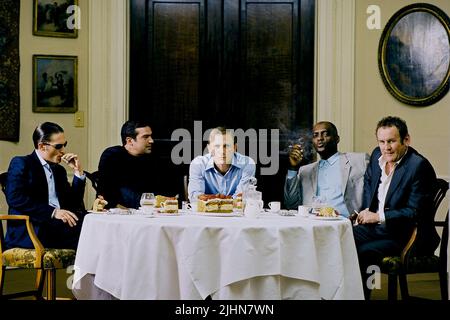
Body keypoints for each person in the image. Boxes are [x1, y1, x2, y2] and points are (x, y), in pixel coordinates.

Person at [353, 116, 439, 299]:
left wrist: (378, 216)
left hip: (407, 235)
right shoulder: (377, 155)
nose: (386, 148)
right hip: (378, 229)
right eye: (382, 142)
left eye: (391, 141)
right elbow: (369, 186)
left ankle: (365, 295)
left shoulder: (418, 166)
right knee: (341, 237)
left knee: (364, 252)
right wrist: (364, 211)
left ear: (406, 140)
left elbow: (415, 211)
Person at [4, 122, 86, 250]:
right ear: (42, 146)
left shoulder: (59, 171)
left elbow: (73, 204)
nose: (63, 151)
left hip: (57, 227)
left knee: (93, 224)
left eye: (64, 145)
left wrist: (78, 172)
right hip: (32, 228)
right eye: (58, 146)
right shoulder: (21, 163)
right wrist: (53, 212)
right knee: (90, 233)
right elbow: (15, 198)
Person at [284, 121, 369, 218]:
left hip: (346, 225)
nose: (319, 138)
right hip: (312, 225)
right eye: (315, 135)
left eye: (325, 134)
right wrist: (293, 168)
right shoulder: (305, 171)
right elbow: (290, 204)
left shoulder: (359, 160)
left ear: (337, 139)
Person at [97, 120, 156, 209]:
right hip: (117, 214)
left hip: (148, 212)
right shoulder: (112, 155)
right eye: (145, 137)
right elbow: (107, 194)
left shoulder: (151, 159)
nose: (151, 141)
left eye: (151, 136)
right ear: (129, 141)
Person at [188, 127, 256, 202]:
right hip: (206, 213)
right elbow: (195, 198)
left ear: (234, 147)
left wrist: (211, 198)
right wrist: (226, 199)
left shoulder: (247, 163)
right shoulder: (198, 164)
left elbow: (243, 198)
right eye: (217, 146)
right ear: (209, 148)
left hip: (236, 213)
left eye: (226, 146)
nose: (222, 151)